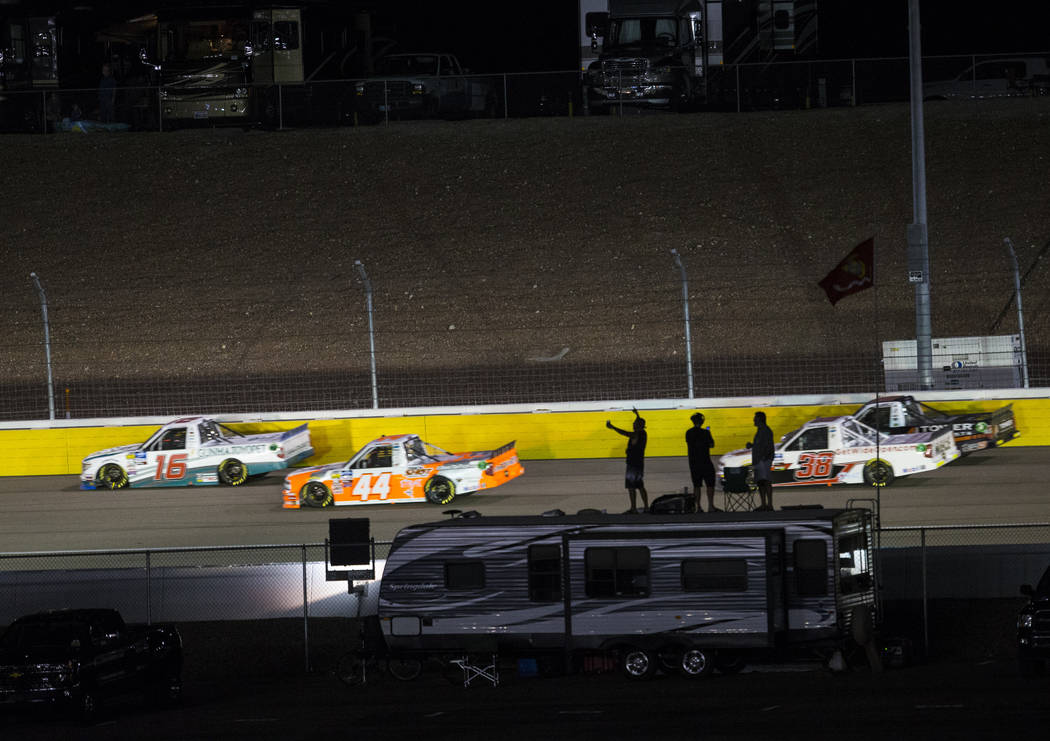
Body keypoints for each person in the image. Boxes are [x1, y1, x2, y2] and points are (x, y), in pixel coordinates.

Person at [606, 407, 648, 513]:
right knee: (640, 486)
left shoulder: (636, 434)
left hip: (632, 464)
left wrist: (613, 427)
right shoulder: (643, 433)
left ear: (638, 425)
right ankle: (646, 507)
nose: (633, 424)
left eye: (634, 423)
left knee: (631, 486)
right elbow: (640, 423)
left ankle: (633, 508)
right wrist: (637, 414)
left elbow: (625, 433)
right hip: (639, 464)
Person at [686, 412, 719, 513]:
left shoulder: (688, 432)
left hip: (694, 462)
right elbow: (712, 445)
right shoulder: (706, 432)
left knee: (697, 485)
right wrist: (708, 433)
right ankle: (710, 506)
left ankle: (698, 507)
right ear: (702, 421)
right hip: (705, 461)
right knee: (710, 484)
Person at [747, 410, 775, 511]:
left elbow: (768, 446)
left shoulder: (766, 430)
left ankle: (769, 504)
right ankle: (764, 504)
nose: (753, 420)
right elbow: (761, 444)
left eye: (755, 418)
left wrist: (764, 458)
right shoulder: (760, 430)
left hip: (763, 461)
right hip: (759, 461)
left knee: (766, 482)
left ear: (760, 419)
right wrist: (752, 445)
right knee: (761, 482)